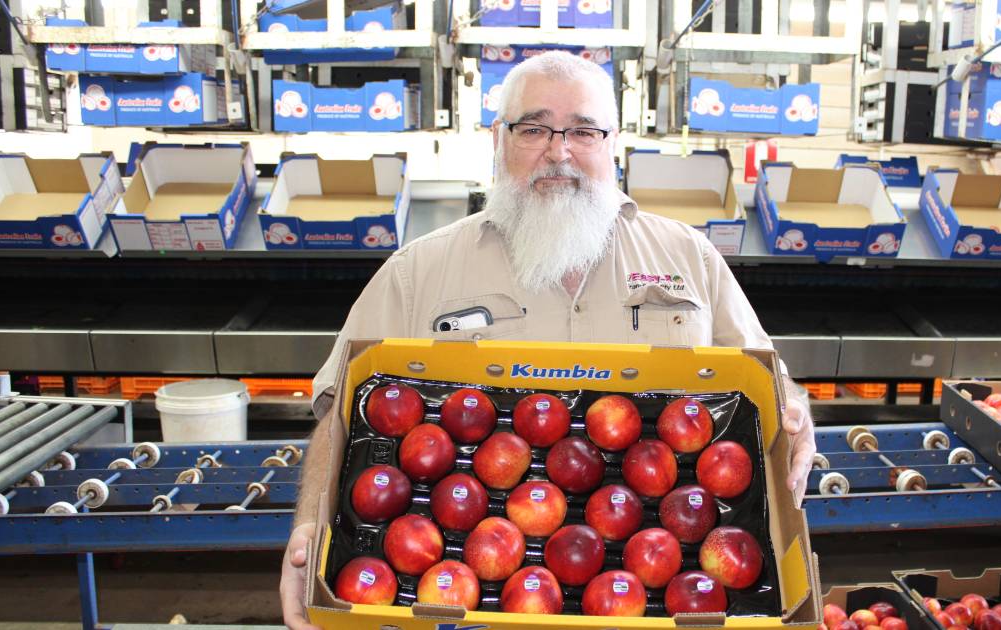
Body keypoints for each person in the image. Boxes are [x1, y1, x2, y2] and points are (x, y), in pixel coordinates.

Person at [280, 51, 815, 630]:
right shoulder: (418, 273)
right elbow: (339, 413)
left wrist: (797, 413)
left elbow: (769, 387)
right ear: (497, 137)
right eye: (534, 129)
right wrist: (310, 526)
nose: (559, 153)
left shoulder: (690, 260)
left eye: (583, 131)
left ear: (613, 142)